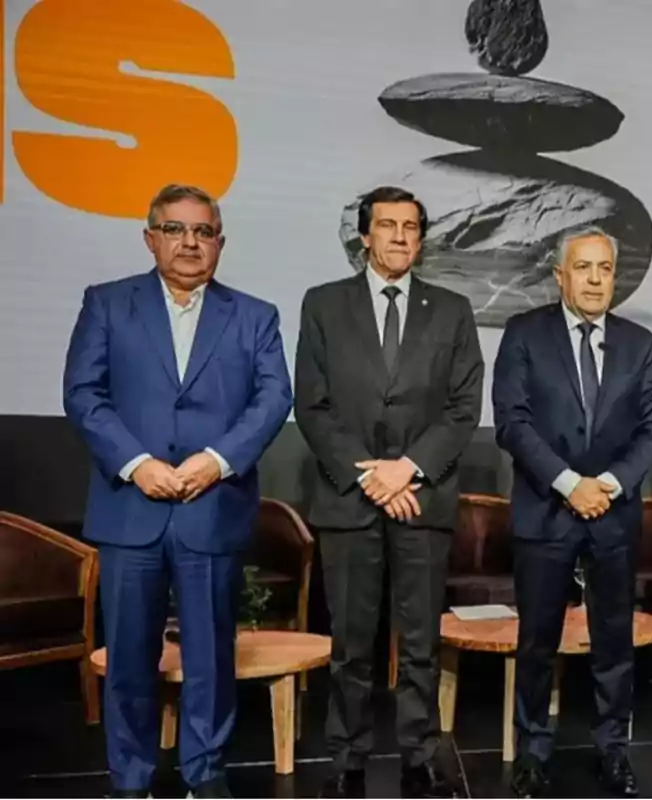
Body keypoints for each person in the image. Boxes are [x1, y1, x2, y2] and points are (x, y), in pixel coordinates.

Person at [62, 184, 293, 798]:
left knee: (211, 657)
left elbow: (273, 399)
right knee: (131, 659)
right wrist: (136, 463)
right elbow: (84, 394)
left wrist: (216, 462)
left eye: (203, 231)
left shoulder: (256, 315)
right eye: (175, 229)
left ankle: (206, 773)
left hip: (210, 507)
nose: (190, 242)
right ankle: (131, 777)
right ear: (150, 237)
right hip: (130, 508)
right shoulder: (107, 304)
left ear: (220, 241)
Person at [294, 186, 484, 799]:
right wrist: (370, 475)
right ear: (364, 236)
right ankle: (346, 758)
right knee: (350, 644)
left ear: (422, 239)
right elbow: (313, 406)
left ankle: (420, 756)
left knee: (421, 642)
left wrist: (407, 469)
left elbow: (462, 408)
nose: (401, 236)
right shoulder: (323, 304)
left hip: (421, 499)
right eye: (388, 225)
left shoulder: (452, 310)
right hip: (350, 501)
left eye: (411, 227)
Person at [492, 225, 652, 798]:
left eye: (605, 269)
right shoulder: (524, 333)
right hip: (547, 511)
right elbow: (513, 422)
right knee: (537, 641)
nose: (595, 280)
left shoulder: (640, 344)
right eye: (584, 268)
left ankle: (613, 749)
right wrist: (570, 484)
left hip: (614, 514)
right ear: (560, 274)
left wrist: (610, 485)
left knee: (613, 642)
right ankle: (533, 751)